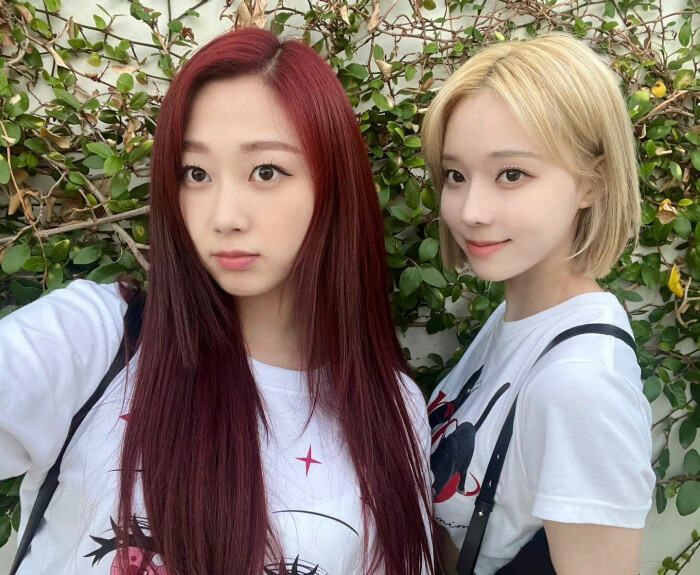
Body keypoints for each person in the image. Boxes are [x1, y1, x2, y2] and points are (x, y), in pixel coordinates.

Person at [0, 28, 434, 575]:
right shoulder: (95, 339)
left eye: (266, 172)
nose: (224, 216)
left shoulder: (392, 408)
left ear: (333, 186)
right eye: (196, 173)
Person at [420, 33, 655, 575]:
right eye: (456, 175)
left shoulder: (579, 385)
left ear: (592, 184)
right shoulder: (518, 320)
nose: (471, 211)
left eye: (512, 174)